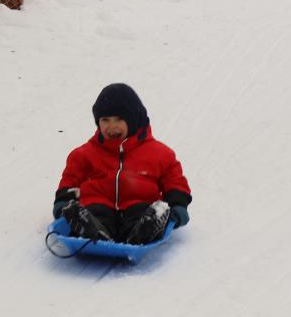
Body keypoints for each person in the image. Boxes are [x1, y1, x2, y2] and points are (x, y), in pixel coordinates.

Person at [52, 83, 192, 245]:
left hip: (138, 207)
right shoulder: (84, 154)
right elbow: (71, 180)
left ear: (132, 120)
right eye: (105, 120)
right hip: (98, 207)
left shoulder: (160, 154)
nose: (111, 126)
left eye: (119, 119)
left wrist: (178, 207)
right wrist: (62, 203)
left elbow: (174, 181)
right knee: (94, 212)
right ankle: (90, 230)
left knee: (142, 214)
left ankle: (148, 227)